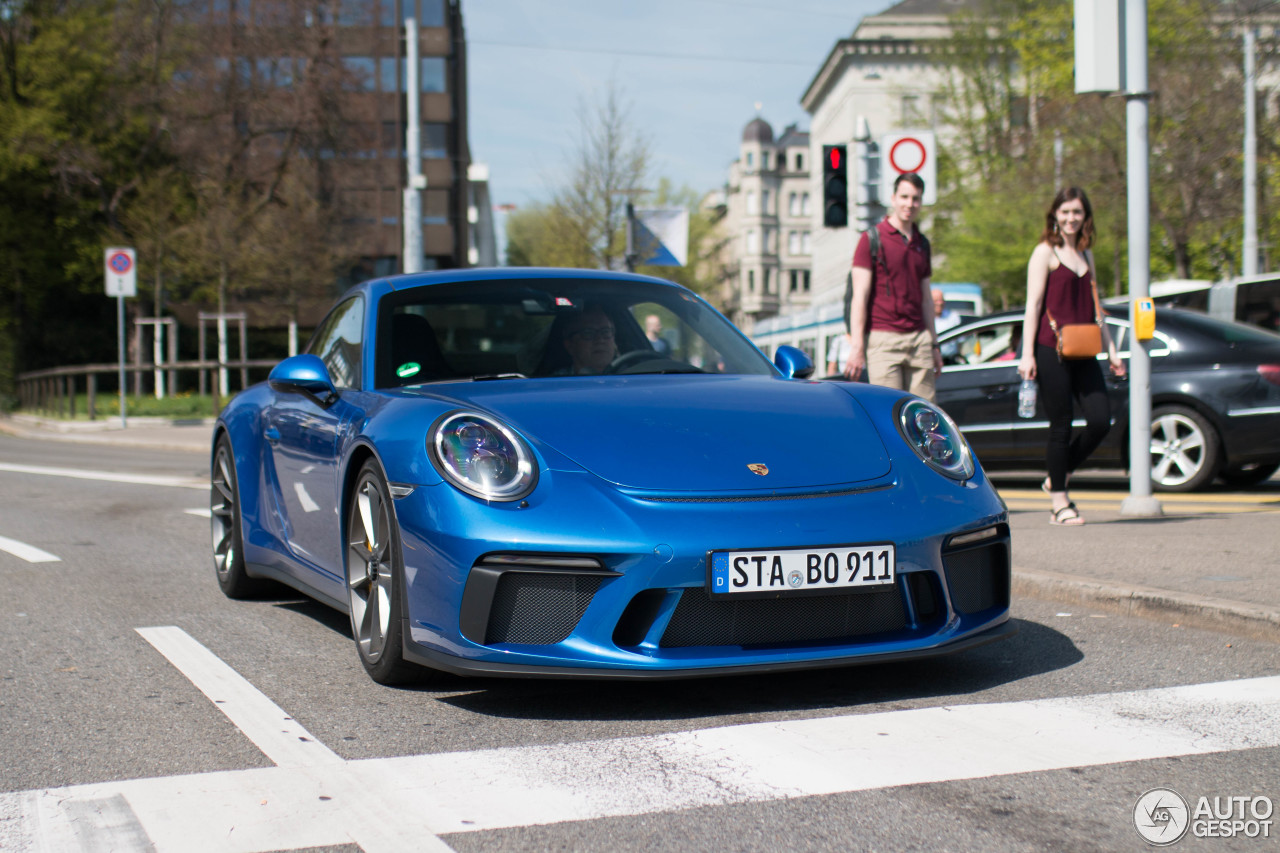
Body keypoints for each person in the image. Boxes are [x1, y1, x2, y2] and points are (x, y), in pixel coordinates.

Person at [1017, 186, 1125, 526]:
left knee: (1099, 420)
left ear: (1085, 216)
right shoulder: (1044, 253)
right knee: (1060, 424)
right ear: (1055, 215)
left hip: (1086, 348)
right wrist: (1026, 354)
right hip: (1052, 349)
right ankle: (1059, 502)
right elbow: (1033, 305)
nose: (1070, 218)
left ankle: (1057, 475)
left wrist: (1112, 350)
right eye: (1064, 212)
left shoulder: (1086, 255)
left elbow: (1097, 309)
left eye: (1076, 212)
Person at [845, 172, 943, 400]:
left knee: (924, 416)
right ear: (893, 198)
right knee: (889, 414)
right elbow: (859, 296)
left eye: (915, 198)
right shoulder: (871, 239)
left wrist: (934, 345)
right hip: (883, 340)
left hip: (919, 340)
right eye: (905, 197)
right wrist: (858, 346)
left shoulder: (922, 243)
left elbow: (926, 299)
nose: (910, 204)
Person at [558, 304, 617, 375]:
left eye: (606, 332)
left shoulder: (628, 372)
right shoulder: (556, 383)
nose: (600, 340)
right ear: (570, 345)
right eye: (588, 333)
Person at [933, 288, 961, 360]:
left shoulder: (953, 317)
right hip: (932, 359)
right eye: (936, 300)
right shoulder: (925, 319)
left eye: (941, 300)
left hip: (951, 359)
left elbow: (960, 342)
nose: (939, 303)